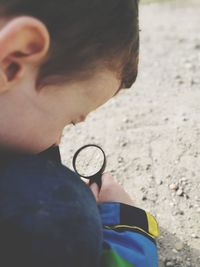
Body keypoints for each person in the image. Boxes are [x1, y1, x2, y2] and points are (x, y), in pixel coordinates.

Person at [0, 0, 159, 266]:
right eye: (70, 120)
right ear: (11, 63)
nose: (58, 141)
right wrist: (128, 226)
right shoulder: (40, 228)